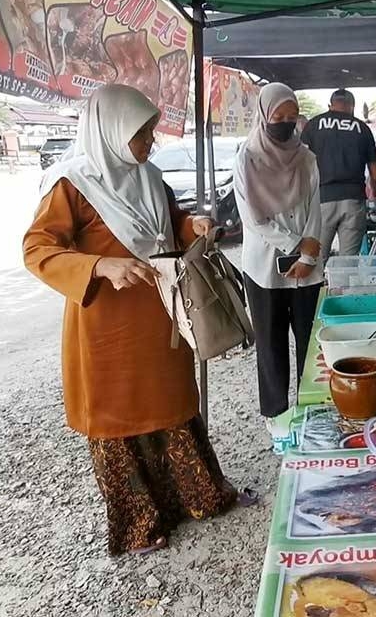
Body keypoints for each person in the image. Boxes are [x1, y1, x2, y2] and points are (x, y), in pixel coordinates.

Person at [24, 84, 243, 556]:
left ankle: (199, 497)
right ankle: (139, 524)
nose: (149, 142)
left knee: (174, 408)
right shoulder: (72, 184)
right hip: (107, 330)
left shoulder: (149, 177)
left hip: (161, 315)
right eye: (141, 133)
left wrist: (194, 226)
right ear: (110, 132)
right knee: (119, 420)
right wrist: (100, 266)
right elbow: (37, 249)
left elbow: (169, 224)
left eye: (150, 132)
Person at [233, 83, 323, 441]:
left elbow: (316, 208)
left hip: (308, 265)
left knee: (309, 339)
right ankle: (276, 411)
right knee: (270, 343)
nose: (286, 124)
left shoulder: (307, 157)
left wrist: (309, 254)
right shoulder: (247, 157)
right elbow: (253, 218)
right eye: (278, 117)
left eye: (291, 117)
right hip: (263, 266)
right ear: (263, 116)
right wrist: (296, 246)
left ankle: (310, 404)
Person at [302, 89, 376, 266]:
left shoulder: (314, 125)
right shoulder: (362, 128)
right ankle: (344, 291)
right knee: (349, 263)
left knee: (314, 260)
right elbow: (375, 173)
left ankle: (318, 292)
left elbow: (301, 166)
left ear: (330, 105)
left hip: (321, 201)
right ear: (352, 107)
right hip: (353, 200)